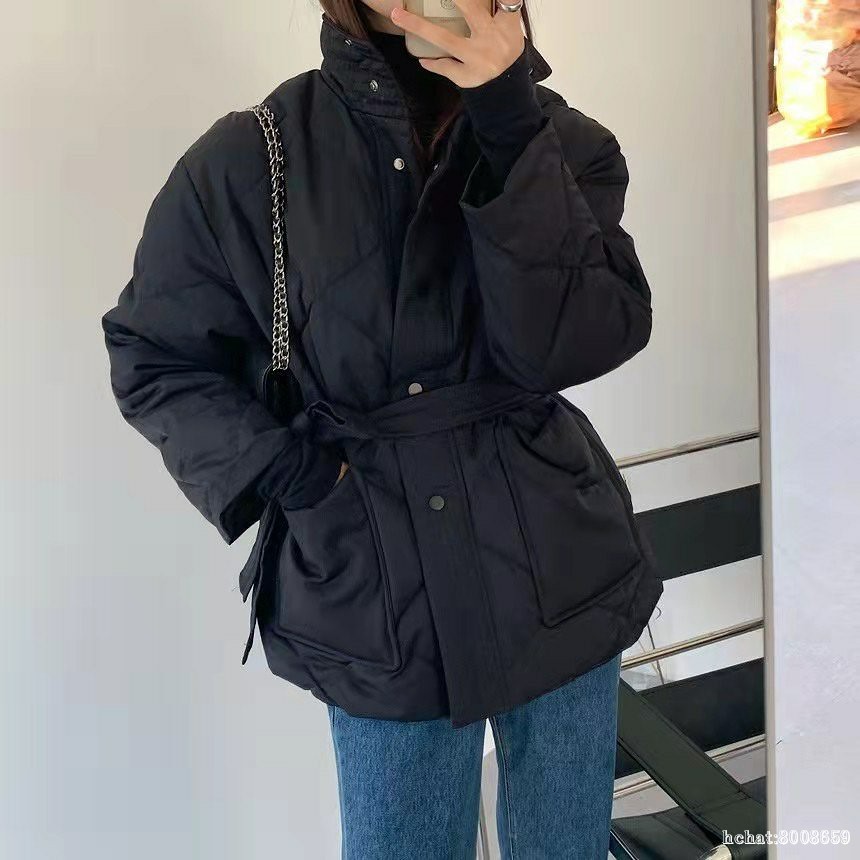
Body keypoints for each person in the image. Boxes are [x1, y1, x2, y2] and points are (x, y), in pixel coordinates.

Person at [101, 1, 663, 856]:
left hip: (559, 564)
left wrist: (509, 121)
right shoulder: (252, 157)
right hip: (374, 595)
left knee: (568, 848)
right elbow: (154, 353)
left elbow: (574, 343)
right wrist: (296, 478)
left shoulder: (560, 140)